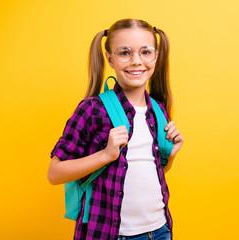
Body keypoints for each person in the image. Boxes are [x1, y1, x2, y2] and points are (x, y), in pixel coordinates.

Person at [47, 19, 184, 240]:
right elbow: (54, 174)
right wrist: (105, 155)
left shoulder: (158, 109)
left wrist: (171, 154)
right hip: (110, 233)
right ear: (110, 58)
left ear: (156, 56)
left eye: (146, 52)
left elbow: (146, 171)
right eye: (124, 53)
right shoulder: (92, 110)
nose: (136, 61)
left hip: (160, 230)